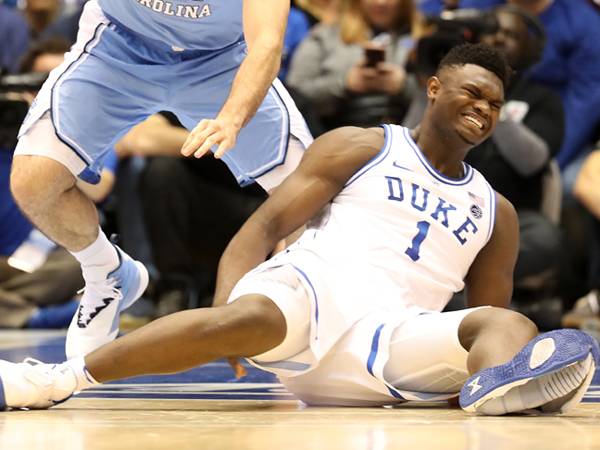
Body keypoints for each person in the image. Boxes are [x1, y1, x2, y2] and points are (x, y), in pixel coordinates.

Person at [0, 44, 597, 415]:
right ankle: (58, 379)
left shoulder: (498, 210)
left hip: (392, 337)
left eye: (494, 103)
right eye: (473, 93)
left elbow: (482, 310)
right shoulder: (362, 146)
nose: (484, 110)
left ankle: (500, 393)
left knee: (511, 323)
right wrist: (222, 306)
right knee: (247, 318)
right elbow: (262, 229)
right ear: (433, 88)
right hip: (314, 293)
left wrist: (463, 362)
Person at [9, 0, 313, 359]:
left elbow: (266, 43)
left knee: (309, 194)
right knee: (33, 182)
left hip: (221, 60)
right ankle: (105, 274)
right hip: (117, 47)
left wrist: (231, 118)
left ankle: (305, 314)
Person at [286, 0, 416, 133]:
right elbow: (295, 94)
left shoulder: (425, 38)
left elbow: (436, 94)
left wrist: (404, 86)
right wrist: (345, 84)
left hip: (405, 133)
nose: (380, 2)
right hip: (333, 133)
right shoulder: (324, 36)